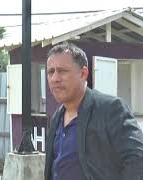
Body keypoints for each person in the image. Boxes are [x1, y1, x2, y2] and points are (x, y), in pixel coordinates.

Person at [44, 43, 143, 180]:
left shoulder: (110, 109)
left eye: (62, 71)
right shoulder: (56, 118)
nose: (55, 78)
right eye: (50, 72)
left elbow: (137, 160)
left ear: (83, 73)